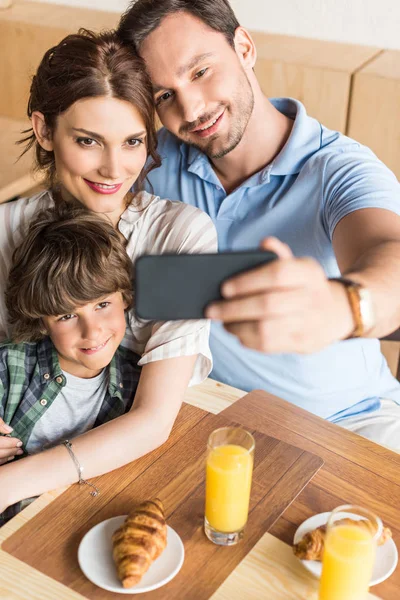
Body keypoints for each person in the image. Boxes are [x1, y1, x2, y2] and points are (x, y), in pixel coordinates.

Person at [117, 0, 400, 449]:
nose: (191, 109)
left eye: (200, 72)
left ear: (244, 47)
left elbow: (389, 252)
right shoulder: (147, 162)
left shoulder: (339, 170)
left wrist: (345, 306)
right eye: (164, 95)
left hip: (350, 420)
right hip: (209, 411)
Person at [0, 31, 217, 485]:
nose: (114, 169)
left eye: (133, 142)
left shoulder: (180, 237)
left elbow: (154, 420)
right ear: (44, 130)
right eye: (88, 141)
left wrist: (9, 486)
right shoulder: (8, 230)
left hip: (141, 467)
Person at [0, 205, 143, 524]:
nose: (92, 331)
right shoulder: (10, 367)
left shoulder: (140, 387)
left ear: (125, 296)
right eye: (67, 316)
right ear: (42, 322)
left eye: (102, 304)